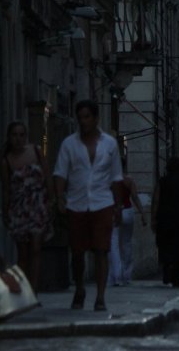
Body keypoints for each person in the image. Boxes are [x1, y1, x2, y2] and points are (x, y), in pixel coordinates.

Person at [53, 99, 123, 312]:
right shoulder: (69, 144)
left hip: (103, 202)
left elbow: (116, 176)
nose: (83, 121)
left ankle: (100, 296)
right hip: (77, 203)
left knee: (102, 250)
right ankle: (80, 288)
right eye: (80, 117)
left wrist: (118, 206)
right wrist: (59, 198)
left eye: (87, 117)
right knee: (77, 252)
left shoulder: (110, 144)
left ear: (95, 118)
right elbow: (60, 173)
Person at [1, 121, 53, 292]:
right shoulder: (6, 161)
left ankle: (34, 289)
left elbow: (47, 175)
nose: (18, 139)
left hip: (37, 205)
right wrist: (5, 211)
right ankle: (24, 290)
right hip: (19, 208)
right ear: (9, 137)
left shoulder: (36, 151)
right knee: (23, 253)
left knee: (36, 248)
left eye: (22, 135)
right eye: (15, 135)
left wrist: (50, 200)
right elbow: (6, 189)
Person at [151, 156, 179, 287]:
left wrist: (153, 219)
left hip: (165, 218)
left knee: (165, 245)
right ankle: (176, 277)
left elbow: (156, 201)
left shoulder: (162, 182)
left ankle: (167, 268)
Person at [109, 158, 147, 287]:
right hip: (128, 212)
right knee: (127, 243)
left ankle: (117, 276)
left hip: (114, 212)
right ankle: (126, 274)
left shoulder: (110, 180)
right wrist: (142, 213)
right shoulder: (129, 180)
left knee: (113, 244)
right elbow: (135, 197)